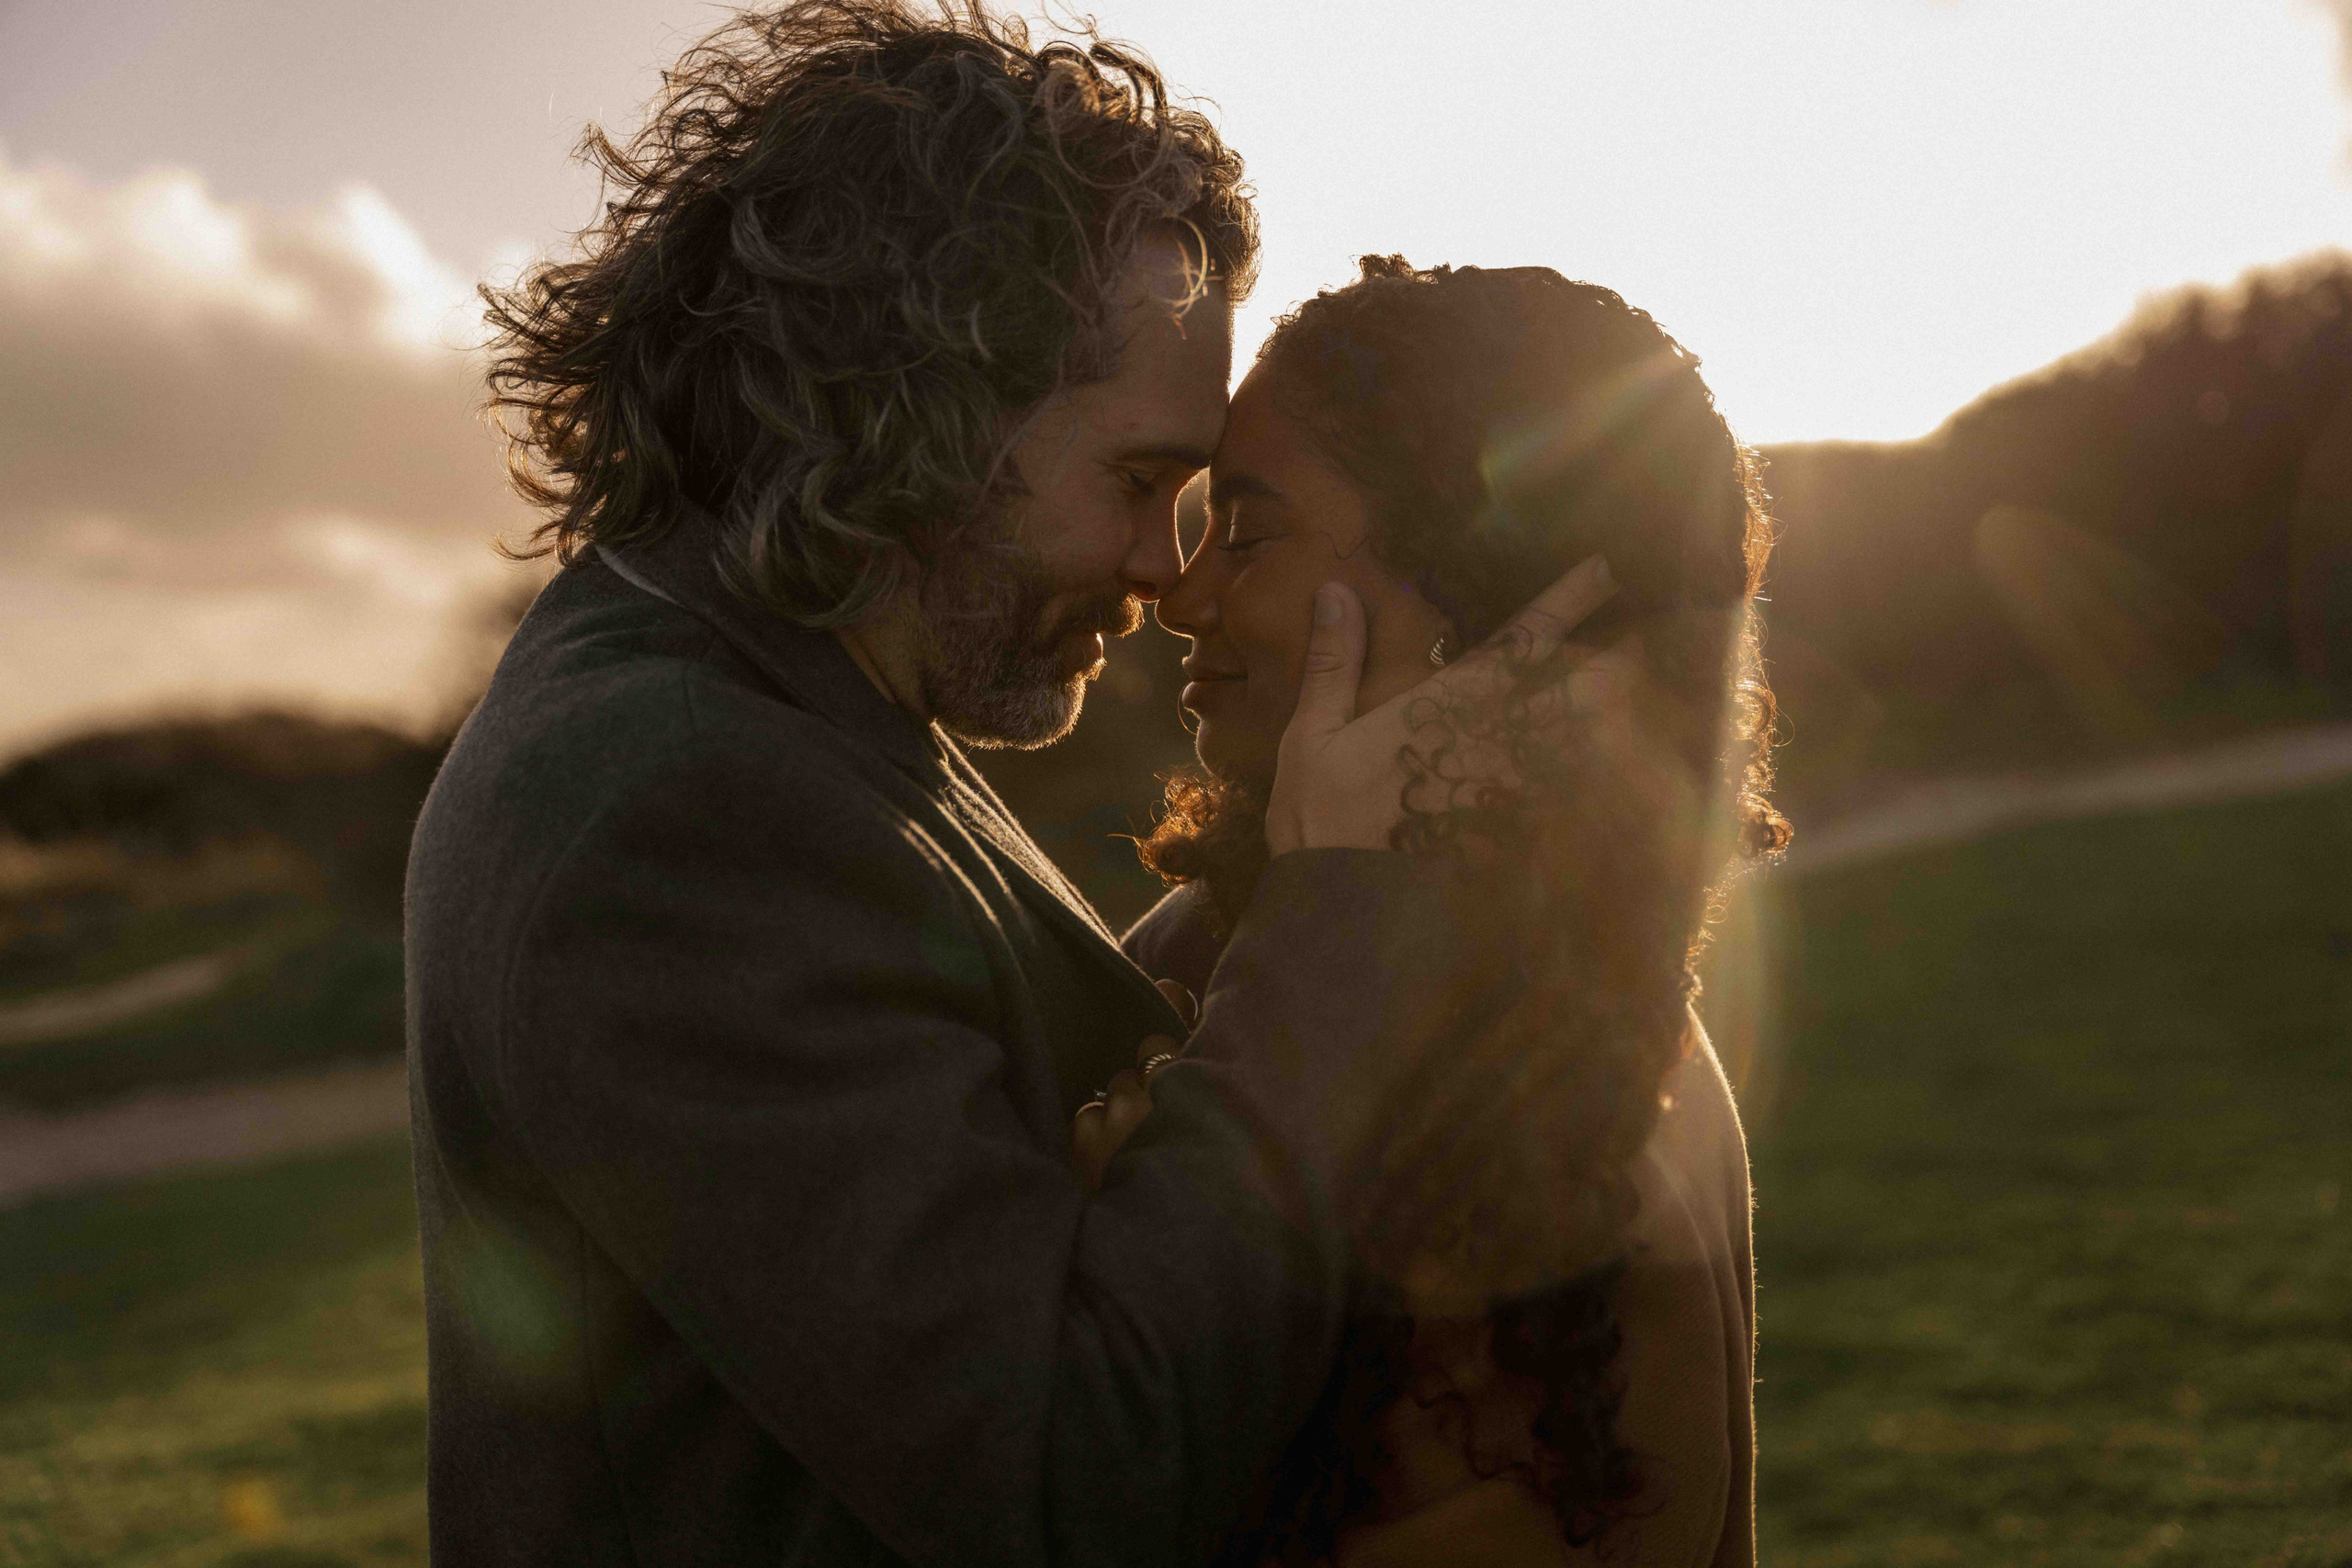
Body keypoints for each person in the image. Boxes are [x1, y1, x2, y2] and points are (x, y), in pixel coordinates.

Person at [405, 7, 1614, 1565]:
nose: (1161, 570)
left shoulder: (786, 696)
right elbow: (1072, 1478)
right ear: (906, 403)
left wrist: (1273, 891)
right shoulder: (669, 801)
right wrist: (1340, 914)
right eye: (1137, 483)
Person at [1079, 257, 1790, 1564]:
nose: (1178, 599)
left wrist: (1123, 1205)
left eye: (1247, 533)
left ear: (1479, 598)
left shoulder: (1554, 1149)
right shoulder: (1264, 944)